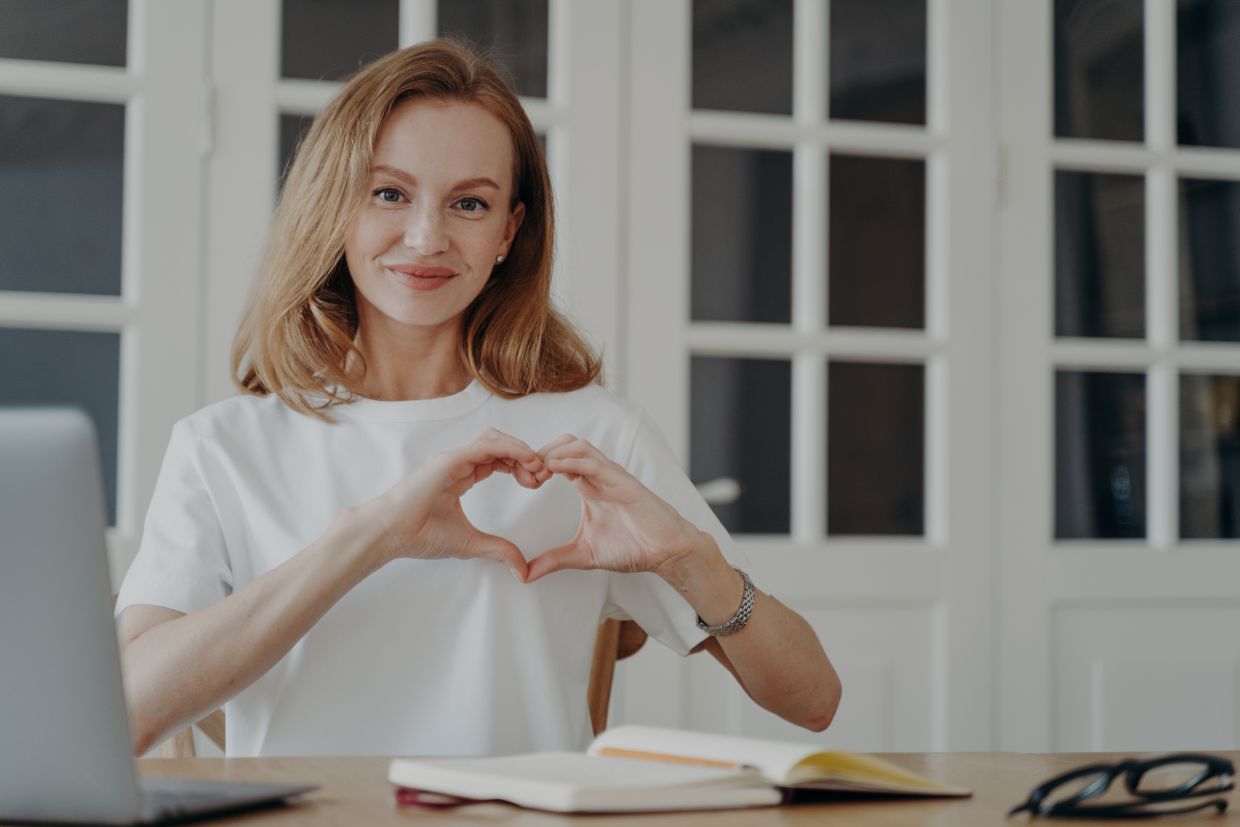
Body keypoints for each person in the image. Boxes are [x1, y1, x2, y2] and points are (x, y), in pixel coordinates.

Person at [115, 39, 841, 758]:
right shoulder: (221, 448)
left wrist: (692, 562)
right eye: (389, 192)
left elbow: (813, 699)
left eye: (469, 203)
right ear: (335, 206)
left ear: (508, 232)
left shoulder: (592, 435)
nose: (427, 238)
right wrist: (372, 538)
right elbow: (128, 712)